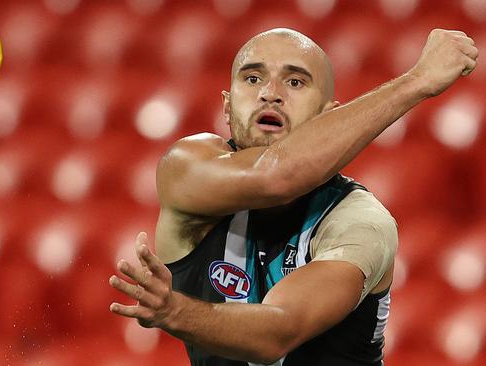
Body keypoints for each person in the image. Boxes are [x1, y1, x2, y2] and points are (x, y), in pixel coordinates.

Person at [109, 28, 478, 365]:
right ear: (226, 105)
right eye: (252, 78)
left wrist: (175, 311)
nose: (270, 93)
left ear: (329, 116)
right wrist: (416, 81)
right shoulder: (185, 168)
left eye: (296, 82)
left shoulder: (360, 222)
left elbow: (277, 333)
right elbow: (272, 175)